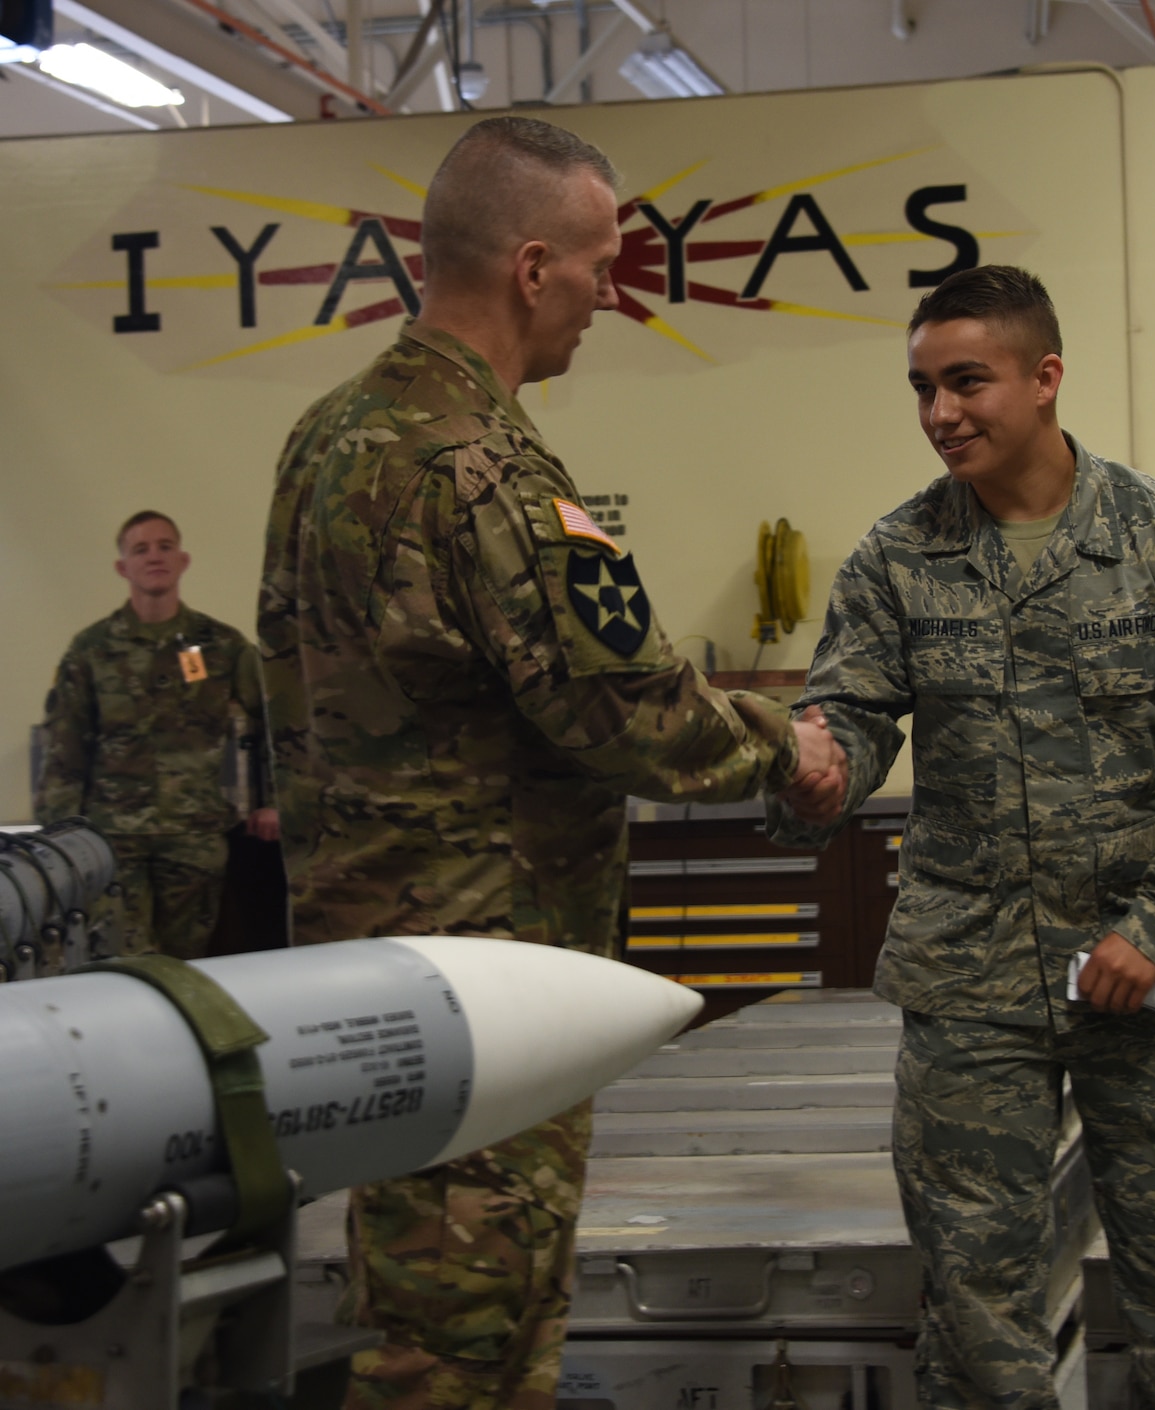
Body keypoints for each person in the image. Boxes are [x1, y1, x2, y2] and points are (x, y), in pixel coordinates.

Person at [258, 116, 841, 1410]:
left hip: (366, 978)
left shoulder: (324, 442)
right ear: (532, 268)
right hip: (488, 990)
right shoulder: (488, 468)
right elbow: (618, 706)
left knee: (423, 1312)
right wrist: (781, 743)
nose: (607, 294)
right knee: (468, 1340)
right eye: (599, 263)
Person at [770, 265, 1155, 1410]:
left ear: (1045, 379)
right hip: (973, 989)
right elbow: (846, 720)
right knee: (974, 1308)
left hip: (1150, 985)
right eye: (921, 388)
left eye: (966, 381)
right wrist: (816, 775)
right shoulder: (898, 557)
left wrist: (1153, 932)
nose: (940, 413)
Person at [36, 510, 279, 963]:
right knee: (123, 964)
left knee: (188, 966)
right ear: (122, 567)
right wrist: (60, 839)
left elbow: (277, 726)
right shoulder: (91, 649)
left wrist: (275, 801)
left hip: (194, 839)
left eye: (165, 546)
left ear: (183, 560)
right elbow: (64, 751)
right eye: (141, 549)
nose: (155, 557)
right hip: (112, 841)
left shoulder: (220, 645)